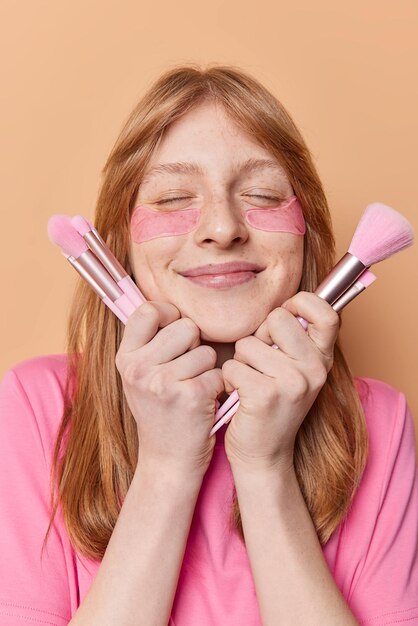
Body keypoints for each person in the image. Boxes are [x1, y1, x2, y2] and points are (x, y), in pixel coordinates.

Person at [0, 64, 417, 626]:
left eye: (262, 193)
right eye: (173, 198)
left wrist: (266, 466)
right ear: (117, 242)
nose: (222, 227)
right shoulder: (36, 404)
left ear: (308, 231)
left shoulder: (382, 421)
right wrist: (168, 466)